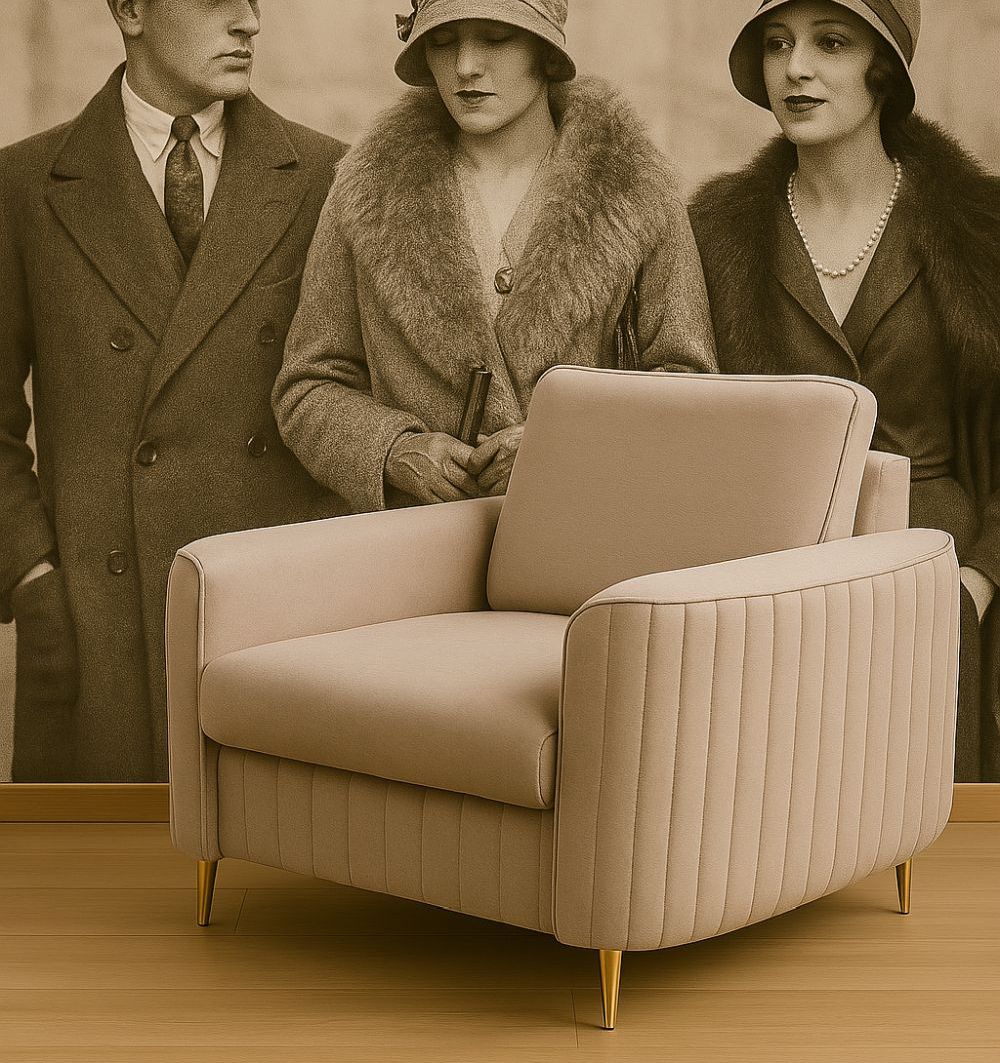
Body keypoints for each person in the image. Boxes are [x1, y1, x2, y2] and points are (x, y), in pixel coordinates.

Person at [0, 0, 348, 782]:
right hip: (100, 630)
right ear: (130, 10)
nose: (249, 22)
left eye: (253, 0)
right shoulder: (23, 185)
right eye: (216, 0)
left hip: (269, 621)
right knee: (106, 856)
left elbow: (352, 393)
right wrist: (32, 579)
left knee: (267, 850)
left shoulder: (328, 177)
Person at [689, 0, 1000, 781]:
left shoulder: (980, 230)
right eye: (777, 44)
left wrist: (978, 578)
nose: (796, 68)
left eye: (830, 43)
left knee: (926, 816)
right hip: (772, 578)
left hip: (933, 576)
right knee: (775, 806)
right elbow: (684, 423)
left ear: (883, 70)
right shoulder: (715, 232)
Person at [273, 0, 717, 514]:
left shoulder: (636, 189)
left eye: (496, 37)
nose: (465, 66)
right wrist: (392, 449)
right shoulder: (364, 190)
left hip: (585, 531)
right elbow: (309, 387)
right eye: (443, 41)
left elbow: (690, 388)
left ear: (545, 53)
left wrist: (564, 442)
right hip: (415, 543)